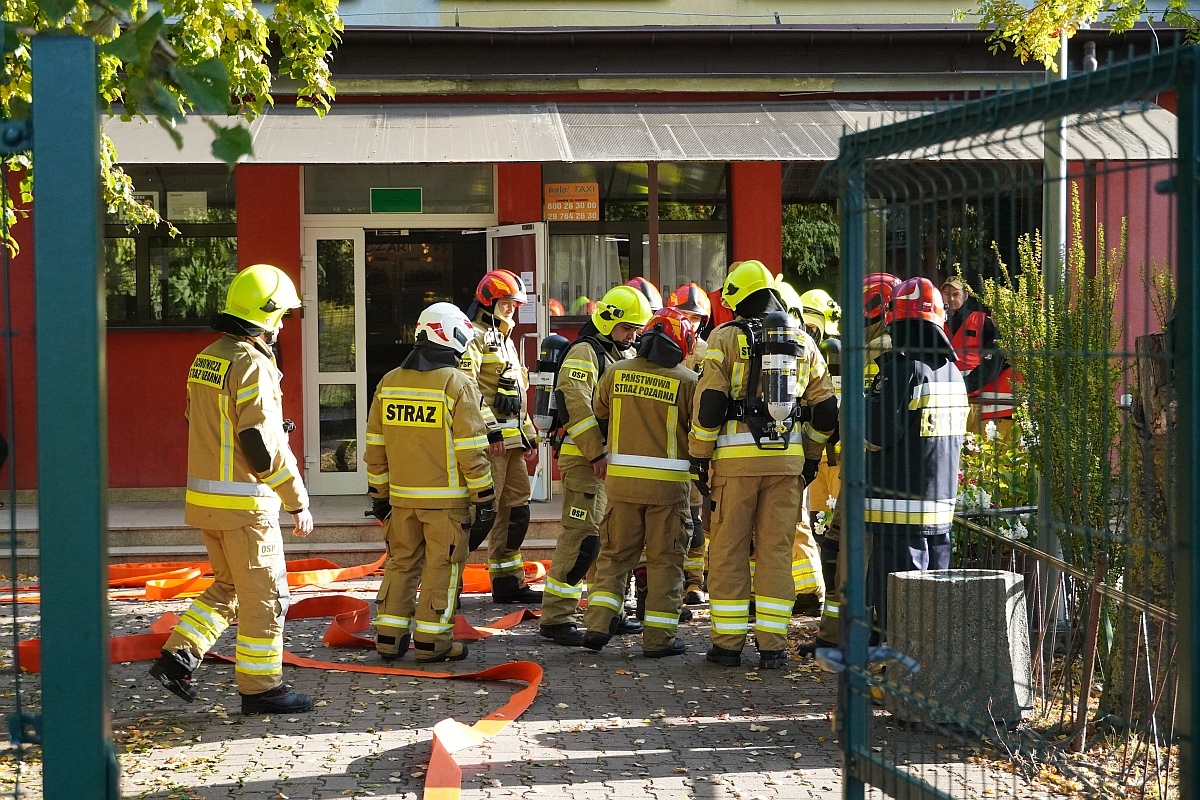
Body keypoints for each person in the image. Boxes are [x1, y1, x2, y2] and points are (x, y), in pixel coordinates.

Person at [150, 263, 315, 715]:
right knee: (268, 597)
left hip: (207, 502)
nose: (282, 325)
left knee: (228, 587)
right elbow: (259, 444)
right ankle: (262, 689)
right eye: (281, 315)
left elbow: (204, 423)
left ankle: (177, 657)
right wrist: (296, 500)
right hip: (245, 505)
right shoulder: (254, 364)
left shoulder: (209, 356)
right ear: (264, 313)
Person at [689, 260, 839, 669]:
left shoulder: (723, 337)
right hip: (787, 466)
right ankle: (773, 649)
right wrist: (808, 458)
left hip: (735, 467)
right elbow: (826, 410)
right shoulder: (804, 342)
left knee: (729, 551)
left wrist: (699, 461)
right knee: (775, 552)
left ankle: (727, 646)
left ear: (737, 297)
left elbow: (710, 406)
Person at [365, 303, 495, 663]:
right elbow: (471, 451)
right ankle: (432, 643)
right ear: (451, 335)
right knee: (443, 568)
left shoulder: (388, 382)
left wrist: (379, 495)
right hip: (447, 505)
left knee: (401, 565)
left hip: (402, 502)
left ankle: (389, 639)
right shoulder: (457, 384)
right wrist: (484, 497)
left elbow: (375, 448)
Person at [579, 308, 699, 657]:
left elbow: (599, 411)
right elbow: (700, 428)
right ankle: (658, 640)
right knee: (665, 562)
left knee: (615, 558)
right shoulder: (687, 381)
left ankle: (598, 626)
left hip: (621, 487)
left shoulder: (616, 372)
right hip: (669, 491)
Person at [540, 285, 653, 646]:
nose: (632, 336)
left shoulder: (620, 352)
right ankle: (557, 618)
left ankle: (607, 613)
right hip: (586, 462)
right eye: (627, 328)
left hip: (611, 463)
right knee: (581, 540)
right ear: (607, 320)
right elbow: (575, 403)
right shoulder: (585, 352)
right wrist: (596, 453)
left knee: (609, 542)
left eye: (636, 330)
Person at [865, 278, 967, 634]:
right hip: (940, 514)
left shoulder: (904, 370)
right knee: (934, 611)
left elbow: (875, 433)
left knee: (899, 612)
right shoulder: (954, 374)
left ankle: (897, 678)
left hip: (899, 514)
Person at [814, 272, 900, 649]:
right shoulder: (866, 346)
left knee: (853, 556)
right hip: (854, 465)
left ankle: (847, 637)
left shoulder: (880, 348)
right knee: (835, 548)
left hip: (865, 470)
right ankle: (833, 634)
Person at [459, 270, 541, 604]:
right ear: (489, 301)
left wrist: (530, 435)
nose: (512, 310)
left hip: (513, 444)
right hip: (489, 445)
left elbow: (517, 391)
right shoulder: (472, 336)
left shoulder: (506, 340)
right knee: (481, 513)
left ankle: (508, 582)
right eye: (507, 304)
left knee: (517, 511)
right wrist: (491, 430)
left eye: (515, 304)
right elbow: (469, 390)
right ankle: (447, 581)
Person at [667, 282, 711, 605]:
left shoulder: (709, 352)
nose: (690, 323)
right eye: (685, 315)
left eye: (696, 318)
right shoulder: (662, 347)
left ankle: (694, 582)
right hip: (665, 445)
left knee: (695, 522)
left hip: (694, 444)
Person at [941, 275, 1015, 438]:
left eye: (956, 294)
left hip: (976, 399)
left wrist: (962, 388)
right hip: (950, 395)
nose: (951, 298)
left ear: (965, 296)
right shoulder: (936, 322)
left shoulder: (982, 321)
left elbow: (992, 364)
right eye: (947, 294)